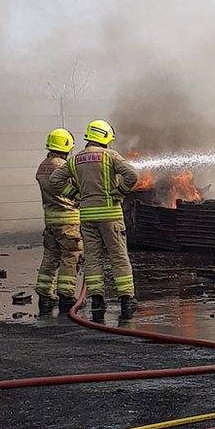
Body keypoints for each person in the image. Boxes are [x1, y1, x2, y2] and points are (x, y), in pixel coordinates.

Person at [50, 119, 139, 322]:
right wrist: (119, 192)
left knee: (92, 257)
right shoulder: (110, 156)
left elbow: (55, 180)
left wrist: (75, 195)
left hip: (87, 217)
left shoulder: (75, 160)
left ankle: (97, 299)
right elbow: (132, 175)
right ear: (105, 137)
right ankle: (126, 299)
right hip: (110, 216)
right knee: (118, 256)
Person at [34, 128, 82, 316]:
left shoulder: (42, 166)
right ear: (66, 145)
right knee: (71, 256)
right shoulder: (65, 167)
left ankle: (44, 294)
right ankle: (66, 296)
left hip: (50, 220)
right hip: (68, 220)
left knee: (50, 256)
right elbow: (78, 188)